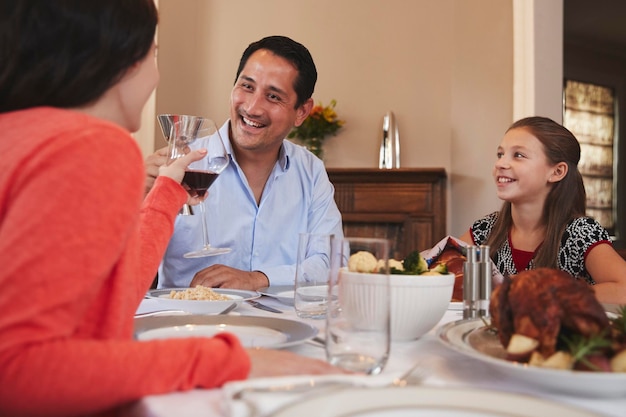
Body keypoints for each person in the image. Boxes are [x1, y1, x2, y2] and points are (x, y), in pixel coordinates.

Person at [0, 3, 342, 417]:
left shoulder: (19, 135)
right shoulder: (89, 148)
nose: (156, 75)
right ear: (118, 60)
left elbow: (107, 303)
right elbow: (21, 369)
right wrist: (228, 362)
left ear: (301, 111)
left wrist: (163, 197)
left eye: (272, 96)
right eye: (154, 54)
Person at [145, 35, 343, 290]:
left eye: (273, 96)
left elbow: (332, 263)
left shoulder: (311, 171)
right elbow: (127, 269)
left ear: (302, 111)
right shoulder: (180, 164)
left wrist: (257, 279)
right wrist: (137, 200)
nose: (252, 107)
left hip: (282, 328)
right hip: (191, 324)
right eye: (247, 87)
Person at [459, 116, 626, 304]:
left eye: (518, 155)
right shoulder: (486, 228)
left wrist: (544, 292)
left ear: (557, 172)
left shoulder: (580, 232)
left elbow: (623, 289)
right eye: (500, 154)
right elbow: (437, 274)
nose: (500, 164)